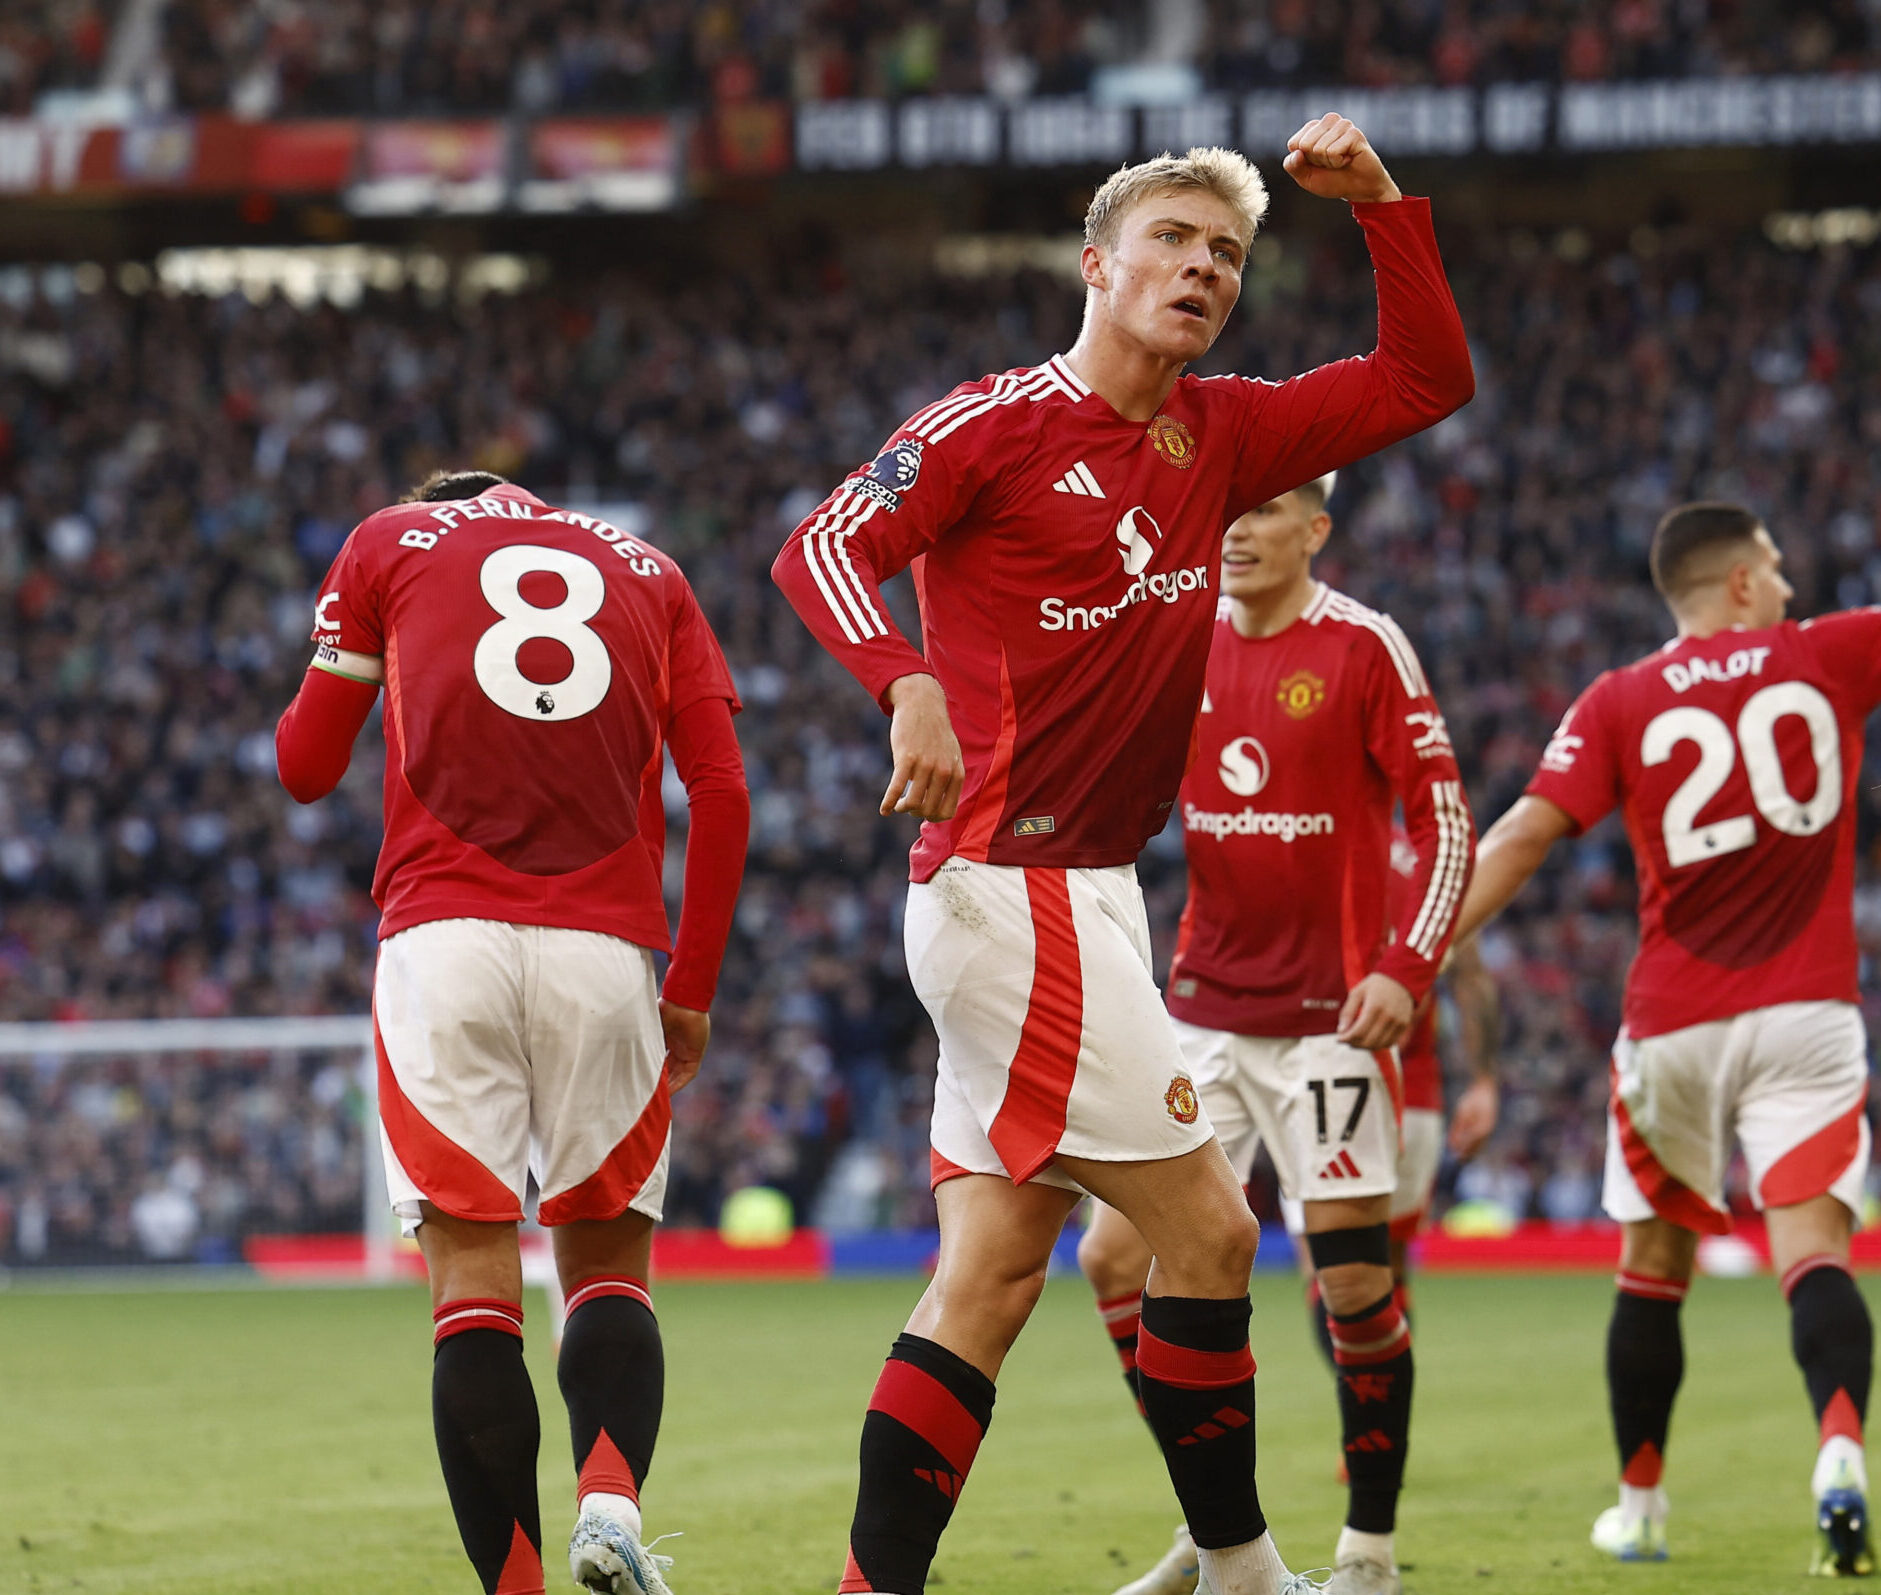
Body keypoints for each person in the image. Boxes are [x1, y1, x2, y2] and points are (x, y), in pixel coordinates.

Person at [770, 119, 1472, 1595]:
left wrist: (1383, 211)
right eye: (1172, 240)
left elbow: (1426, 380)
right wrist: (903, 677)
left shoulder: (1221, 434)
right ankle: (1244, 1568)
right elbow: (822, 544)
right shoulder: (988, 425)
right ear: (1097, 265)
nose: (1202, 268)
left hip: (1081, 894)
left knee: (993, 1273)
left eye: (1224, 253)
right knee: (1208, 1231)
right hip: (1006, 886)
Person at [1451, 384, 1881, 1573]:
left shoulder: (1617, 701)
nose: (1793, 583)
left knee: (1651, 1270)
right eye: (1777, 565)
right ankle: (1841, 1448)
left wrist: (1416, 939)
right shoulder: (1826, 656)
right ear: (1742, 582)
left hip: (1670, 1025)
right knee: (1812, 1252)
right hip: (1807, 1015)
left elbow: (1520, 836)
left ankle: (1642, 1508)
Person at [273, 469, 751, 1595]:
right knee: (605, 1264)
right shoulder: (652, 571)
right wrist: (695, 981)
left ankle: (520, 1584)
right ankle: (611, 1504)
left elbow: (303, 767)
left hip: (442, 945)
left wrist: (360, 661)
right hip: (606, 951)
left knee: (473, 1280)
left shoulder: (387, 542)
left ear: (444, 502)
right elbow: (722, 794)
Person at [1074, 477, 1477, 1595]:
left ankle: (1369, 1550)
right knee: (1111, 1255)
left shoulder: (1362, 645)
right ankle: (1215, 1532)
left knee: (1349, 1280)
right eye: (1227, 511)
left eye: (1267, 511)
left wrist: (1405, 966)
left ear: (1316, 529)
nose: (1239, 528)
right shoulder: (1173, 630)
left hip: (1329, 1020)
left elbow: (1443, 818)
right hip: (1201, 1005)